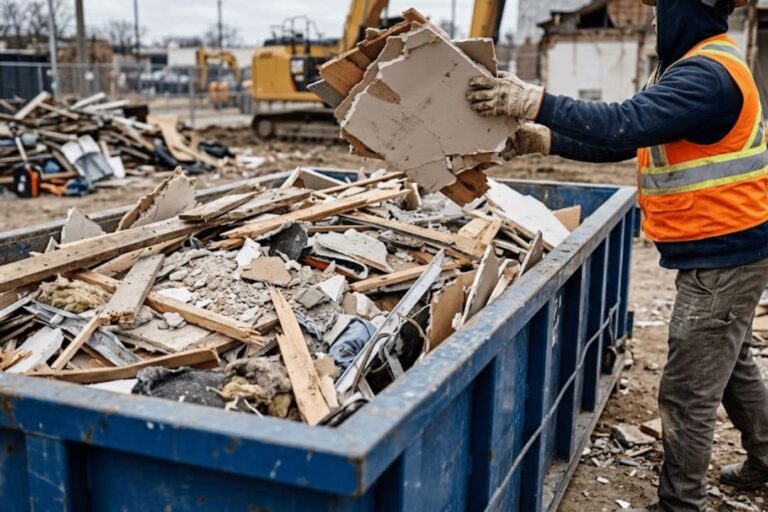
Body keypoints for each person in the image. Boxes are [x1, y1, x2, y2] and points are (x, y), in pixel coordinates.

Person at [466, 0, 768, 510]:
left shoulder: (708, 76)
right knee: (732, 362)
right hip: (725, 248)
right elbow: (629, 141)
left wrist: (533, 100)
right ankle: (765, 458)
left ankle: (680, 504)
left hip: (726, 256)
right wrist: (548, 139)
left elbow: (621, 122)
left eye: (661, 8)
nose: (652, 18)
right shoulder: (695, 65)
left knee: (686, 393)